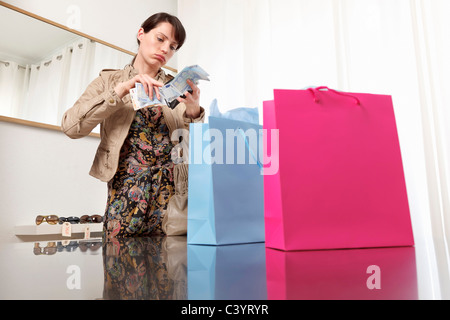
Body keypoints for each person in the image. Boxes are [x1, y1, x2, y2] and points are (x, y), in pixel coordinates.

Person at [61, 12, 204, 238]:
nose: (166, 49)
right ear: (141, 34)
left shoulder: (176, 88)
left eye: (173, 46)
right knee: (119, 265)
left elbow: (192, 149)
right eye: (161, 39)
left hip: (170, 199)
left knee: (170, 269)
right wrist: (122, 89)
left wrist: (194, 111)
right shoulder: (109, 81)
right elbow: (71, 127)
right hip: (125, 192)